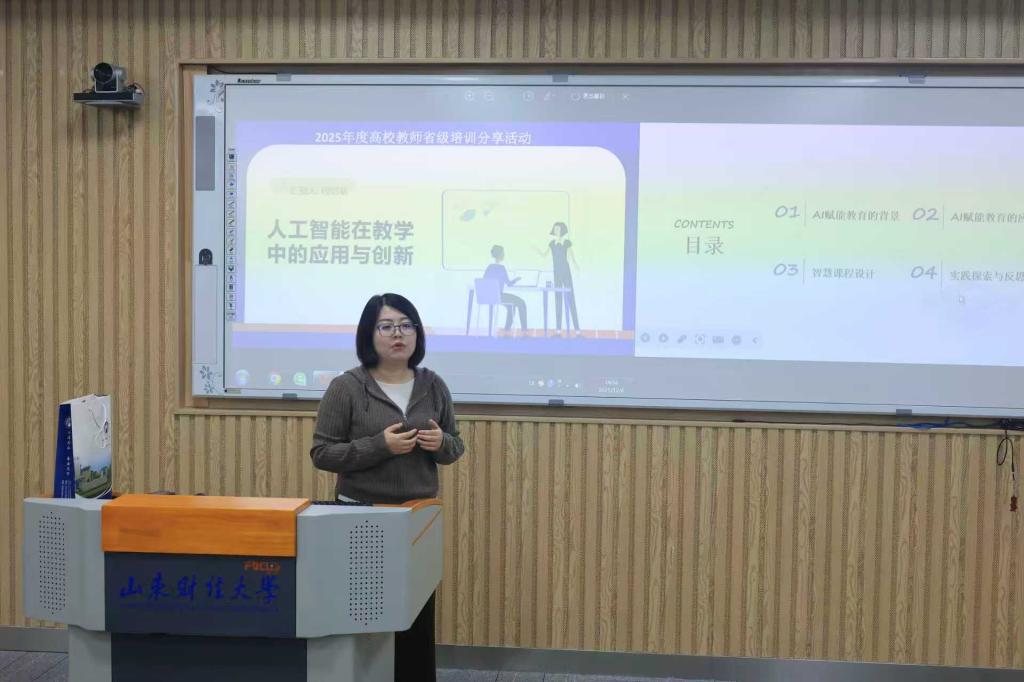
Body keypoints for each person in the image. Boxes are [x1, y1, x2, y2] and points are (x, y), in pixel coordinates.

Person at [310, 293, 465, 682]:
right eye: (387, 326)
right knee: (365, 618)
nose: (399, 334)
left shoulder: (433, 385)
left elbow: (455, 446)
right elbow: (322, 453)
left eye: (406, 325)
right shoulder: (347, 387)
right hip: (362, 517)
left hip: (417, 517)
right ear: (369, 334)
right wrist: (380, 446)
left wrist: (441, 443)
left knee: (415, 618)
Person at [536, 221, 580, 335]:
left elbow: (572, 257)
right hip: (557, 273)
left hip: (566, 272)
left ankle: (577, 330)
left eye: (558, 229)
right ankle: (558, 330)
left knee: (570, 298)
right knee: (558, 300)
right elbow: (544, 255)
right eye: (555, 229)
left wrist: (576, 265)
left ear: (562, 230)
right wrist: (536, 249)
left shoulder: (566, 242)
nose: (556, 231)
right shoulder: (551, 243)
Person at [483, 244, 527, 334]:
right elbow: (509, 284)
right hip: (498, 296)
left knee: (511, 306)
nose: (504, 255)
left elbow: (484, 281)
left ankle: (507, 329)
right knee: (521, 303)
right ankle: (524, 330)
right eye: (503, 253)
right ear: (500, 255)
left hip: (489, 296)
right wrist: (516, 279)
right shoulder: (501, 268)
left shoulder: (489, 267)